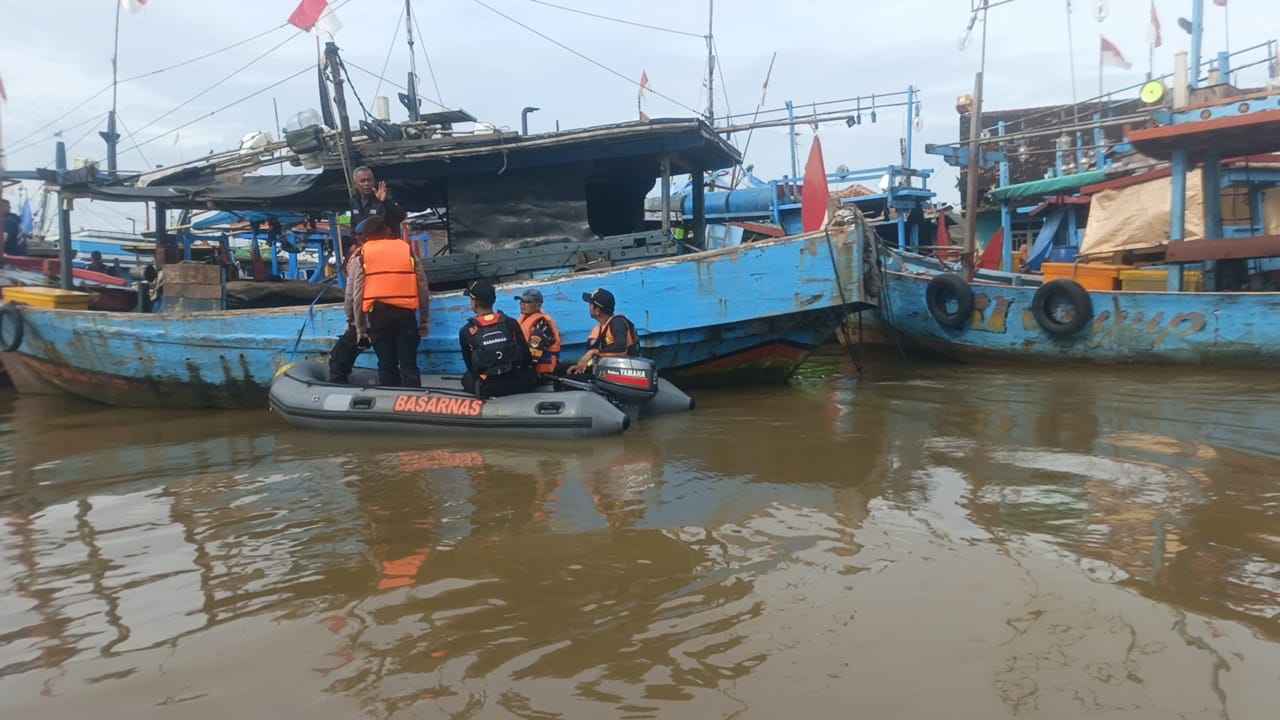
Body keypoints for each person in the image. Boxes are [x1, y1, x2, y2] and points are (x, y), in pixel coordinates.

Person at [351, 217, 431, 388]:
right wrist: (424, 319)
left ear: (366, 235)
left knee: (387, 365)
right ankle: (414, 405)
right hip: (406, 316)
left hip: (379, 316)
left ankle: (389, 402)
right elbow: (422, 287)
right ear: (387, 231)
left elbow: (357, 294)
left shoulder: (363, 255)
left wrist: (360, 328)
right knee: (409, 364)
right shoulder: (406, 250)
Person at [459, 279, 537, 398]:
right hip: (516, 383)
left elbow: (471, 367)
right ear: (494, 301)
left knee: (466, 378)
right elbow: (527, 358)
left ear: (474, 303)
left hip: (488, 387)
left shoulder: (466, 330)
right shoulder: (511, 323)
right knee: (530, 373)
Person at [328, 217, 377, 384]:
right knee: (391, 363)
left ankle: (336, 394)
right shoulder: (401, 254)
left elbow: (351, 294)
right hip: (394, 318)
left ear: (362, 238)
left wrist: (352, 320)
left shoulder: (360, 259)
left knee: (339, 360)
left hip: (366, 320)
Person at [557, 287, 640, 376]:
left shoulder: (618, 323)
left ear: (597, 311)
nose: (589, 307)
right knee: (559, 369)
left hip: (618, 372)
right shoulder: (602, 327)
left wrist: (593, 352)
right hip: (601, 369)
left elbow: (621, 348)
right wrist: (579, 366)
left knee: (563, 381)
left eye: (590, 304)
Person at [513, 288, 562, 377]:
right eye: (521, 301)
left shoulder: (541, 324)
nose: (523, 304)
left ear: (538, 305)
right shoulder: (523, 320)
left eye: (528, 302)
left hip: (542, 374)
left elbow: (534, 357)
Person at [350, 166, 407, 241]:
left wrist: (385, 201)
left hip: (386, 246)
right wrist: (354, 242)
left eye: (369, 180)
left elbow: (401, 216)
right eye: (362, 181)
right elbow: (353, 224)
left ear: (373, 182)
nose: (366, 183)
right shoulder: (354, 201)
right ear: (355, 184)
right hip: (367, 247)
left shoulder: (383, 199)